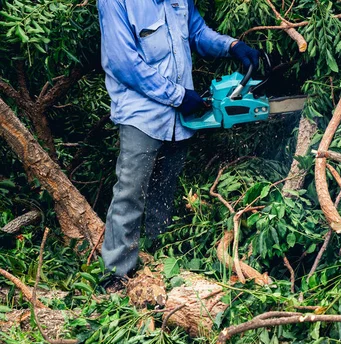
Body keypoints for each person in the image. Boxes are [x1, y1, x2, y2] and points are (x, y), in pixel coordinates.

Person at [97, 0, 259, 292]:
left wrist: (232, 46)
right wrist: (176, 95)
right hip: (141, 115)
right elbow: (124, 63)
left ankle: (158, 260)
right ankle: (115, 276)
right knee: (130, 193)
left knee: (165, 190)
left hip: (179, 118)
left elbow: (196, 32)